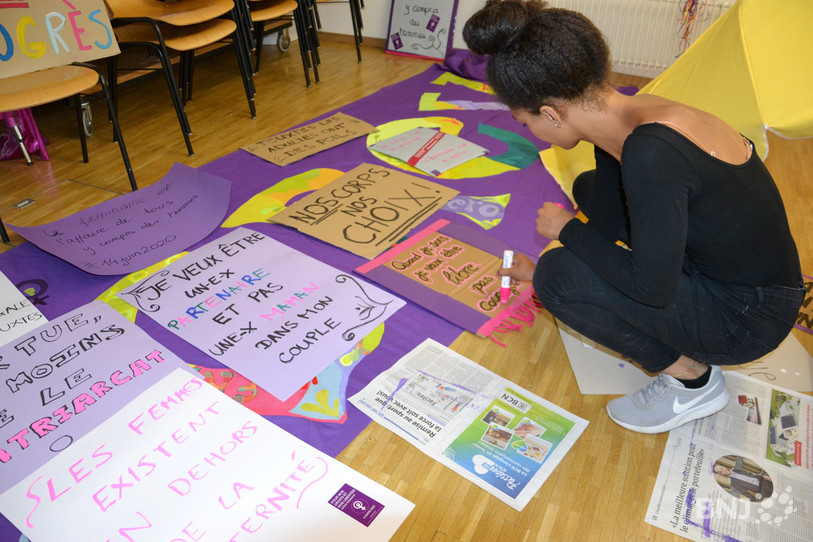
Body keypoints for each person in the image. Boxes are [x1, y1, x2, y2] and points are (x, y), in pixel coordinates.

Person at [464, 0, 805, 433]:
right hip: (736, 273)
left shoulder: (651, 154)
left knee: (557, 277)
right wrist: (572, 251)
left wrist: (565, 233)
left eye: (525, 122)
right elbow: (605, 230)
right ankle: (569, 276)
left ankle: (692, 379)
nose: (529, 132)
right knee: (590, 189)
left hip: (747, 318)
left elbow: (651, 289)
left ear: (550, 112)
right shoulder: (629, 116)